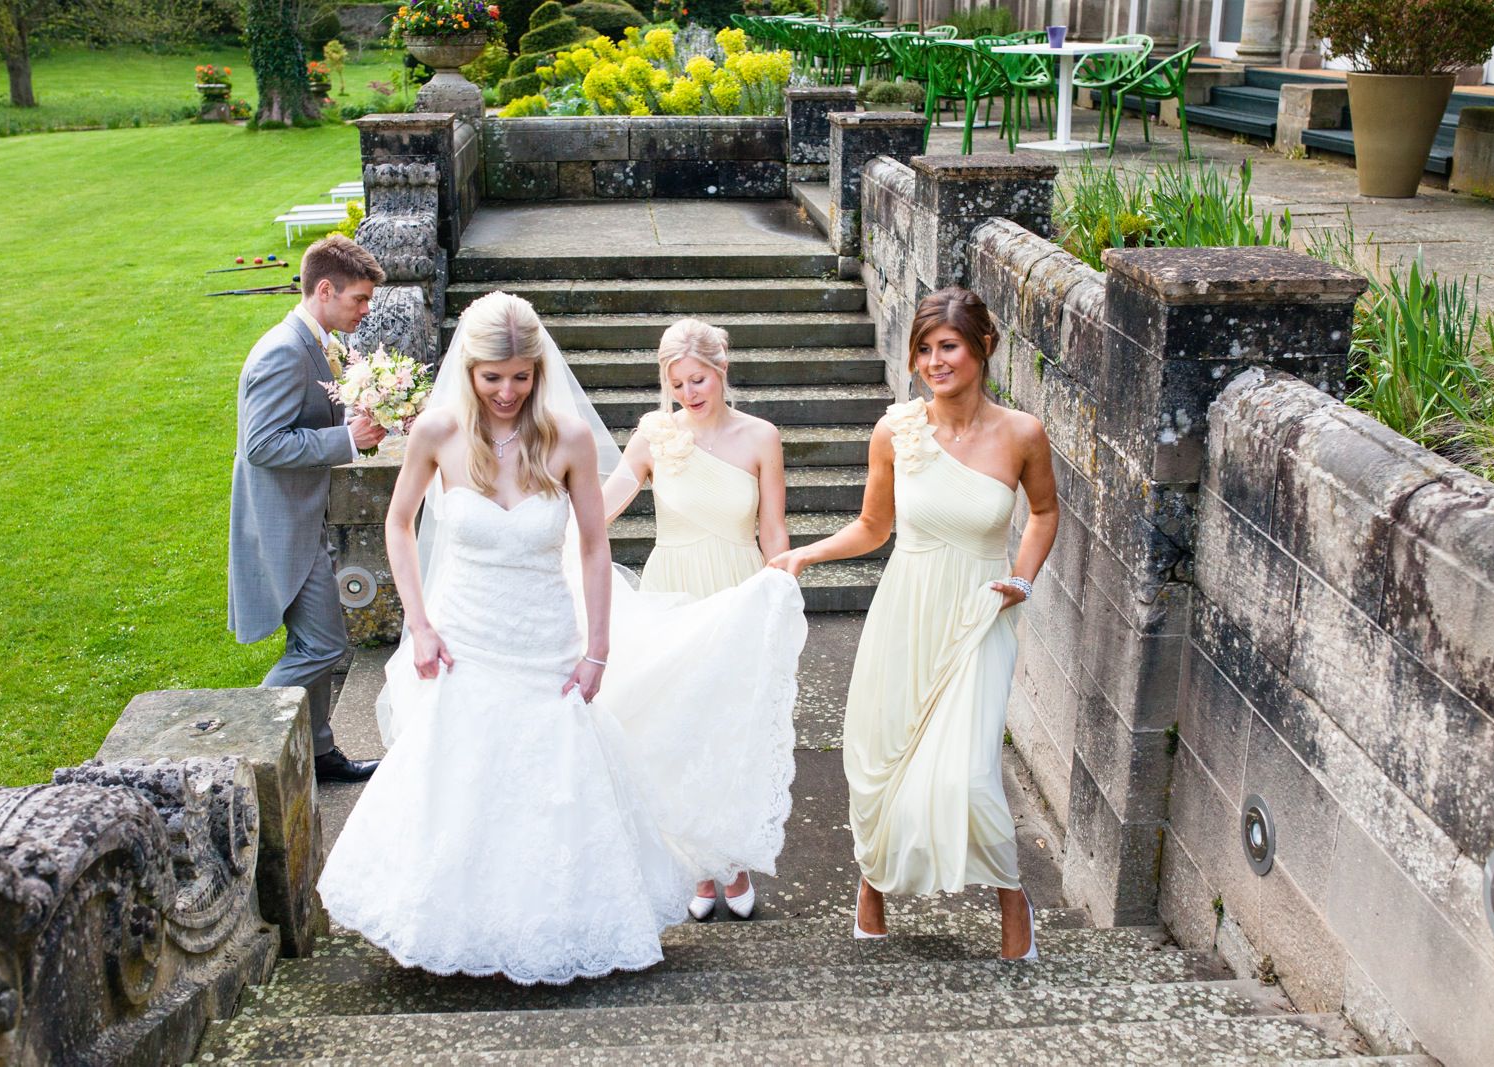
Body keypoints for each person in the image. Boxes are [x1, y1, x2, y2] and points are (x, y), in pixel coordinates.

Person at [318, 292, 805, 983]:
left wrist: (598, 646)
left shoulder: (569, 438)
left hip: (544, 633)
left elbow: (594, 547)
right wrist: (418, 623)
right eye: (493, 377)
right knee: (464, 776)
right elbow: (399, 524)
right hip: (466, 633)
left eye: (521, 376)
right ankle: (457, 922)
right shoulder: (437, 432)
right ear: (471, 371)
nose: (508, 391)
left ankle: (553, 922)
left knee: (555, 782)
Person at [769, 287, 1059, 958]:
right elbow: (876, 527)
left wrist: (1023, 574)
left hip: (979, 615)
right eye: (924, 349)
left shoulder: (1022, 434)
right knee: (881, 758)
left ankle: (1014, 900)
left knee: (970, 773)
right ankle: (872, 886)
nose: (934, 361)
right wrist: (808, 552)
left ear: (983, 346)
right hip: (905, 609)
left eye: (948, 346)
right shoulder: (896, 430)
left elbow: (1044, 512)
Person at [603, 318, 788, 921]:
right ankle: (694, 868)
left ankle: (730, 863)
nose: (689, 392)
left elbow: (772, 529)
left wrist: (781, 587)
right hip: (673, 593)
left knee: (730, 728)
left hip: (737, 589)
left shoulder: (761, 437)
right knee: (678, 727)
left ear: (721, 368)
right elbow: (608, 501)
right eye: (678, 382)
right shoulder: (654, 434)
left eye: (698, 378)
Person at [228, 233, 386, 784]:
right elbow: (262, 444)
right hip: (280, 526)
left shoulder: (314, 341)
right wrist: (346, 441)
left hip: (303, 518)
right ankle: (245, 738)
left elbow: (300, 423)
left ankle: (319, 754)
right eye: (358, 300)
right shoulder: (281, 350)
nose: (365, 311)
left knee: (314, 641)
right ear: (325, 289)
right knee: (324, 645)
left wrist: (355, 423)